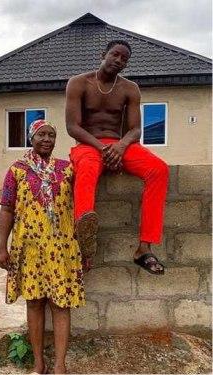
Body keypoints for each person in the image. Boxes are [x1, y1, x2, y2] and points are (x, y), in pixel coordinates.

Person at [65, 40, 168, 275]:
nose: (118, 60)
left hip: (119, 145)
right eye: (115, 55)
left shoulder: (130, 88)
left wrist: (120, 147)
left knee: (158, 169)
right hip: (88, 144)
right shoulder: (78, 83)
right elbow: (73, 127)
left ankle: (144, 248)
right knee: (87, 168)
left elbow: (135, 130)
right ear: (104, 54)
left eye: (124, 59)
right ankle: (83, 246)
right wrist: (103, 149)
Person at [0, 119, 85, 374]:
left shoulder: (67, 169)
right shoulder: (17, 170)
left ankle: (60, 365)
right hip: (29, 249)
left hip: (61, 247)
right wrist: (2, 247)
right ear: (31, 138)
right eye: (41, 134)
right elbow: (6, 209)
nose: (46, 139)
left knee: (60, 304)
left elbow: (81, 206)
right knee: (34, 302)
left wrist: (85, 246)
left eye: (51, 135)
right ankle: (38, 363)